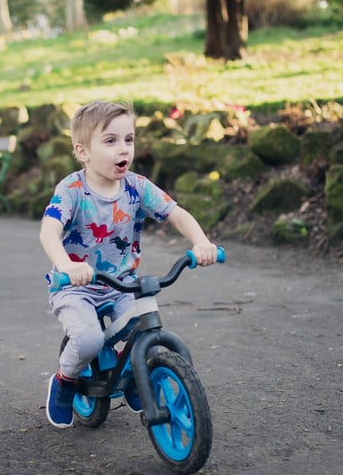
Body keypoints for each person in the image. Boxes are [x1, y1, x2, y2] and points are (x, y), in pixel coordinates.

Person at [39, 100, 219, 428]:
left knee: (144, 324)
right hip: (76, 286)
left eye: (129, 139)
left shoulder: (136, 187)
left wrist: (201, 242)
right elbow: (49, 230)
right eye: (110, 141)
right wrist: (65, 265)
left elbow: (175, 213)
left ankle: (137, 378)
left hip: (121, 282)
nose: (123, 149)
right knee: (89, 340)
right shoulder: (72, 190)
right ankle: (65, 382)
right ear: (83, 152)